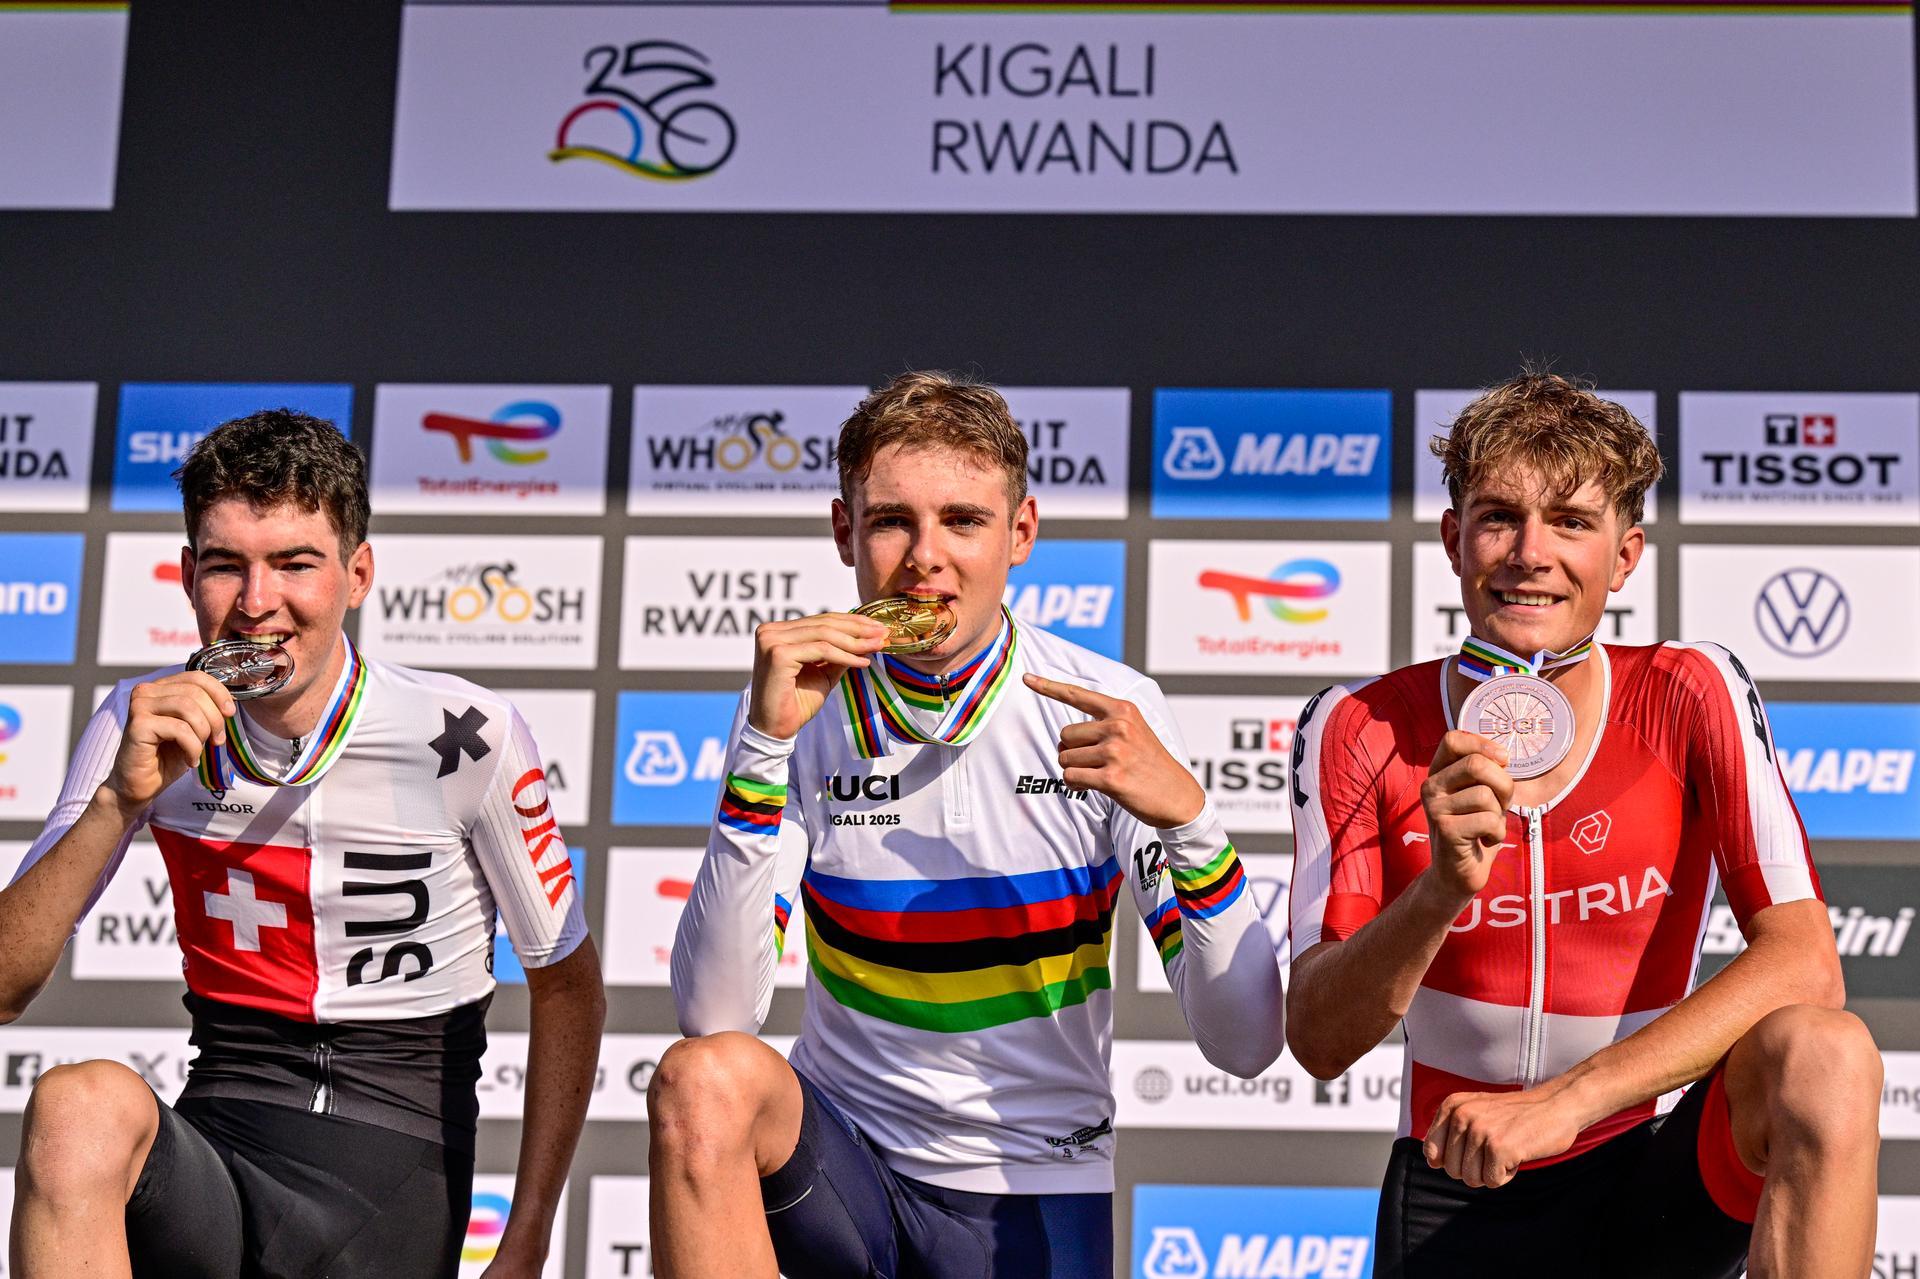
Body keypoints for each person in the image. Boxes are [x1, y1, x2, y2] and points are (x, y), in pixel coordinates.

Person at [649, 371, 1286, 1279]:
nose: (924, 558)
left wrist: (1191, 822)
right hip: (847, 1166)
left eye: (963, 520)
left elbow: (1247, 1040)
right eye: (891, 521)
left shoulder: (1108, 710)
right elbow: (714, 1017)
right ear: (844, 533)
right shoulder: (797, 708)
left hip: (1037, 1174)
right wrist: (760, 748)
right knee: (700, 1082)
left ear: (1020, 533)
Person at [1286, 372, 1882, 1279]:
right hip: (1462, 1176)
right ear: (1453, 540)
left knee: (1827, 1055)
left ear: (1626, 552)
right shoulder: (1362, 723)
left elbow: (1807, 960)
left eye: (1571, 521)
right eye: (1498, 517)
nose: (1532, 553)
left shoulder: (1689, 690)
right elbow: (1320, 1039)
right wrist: (1442, 889)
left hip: (1646, 1165)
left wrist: (1569, 1100)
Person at [1, 410, 605, 1279]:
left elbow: (569, 987)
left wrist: (527, 1240)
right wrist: (115, 803)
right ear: (185, 577)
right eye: (225, 566)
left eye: (294, 563)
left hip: (395, 1172)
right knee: (76, 1104)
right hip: (224, 1138)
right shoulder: (143, 719)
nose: (256, 603)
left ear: (357, 573)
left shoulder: (466, 733)